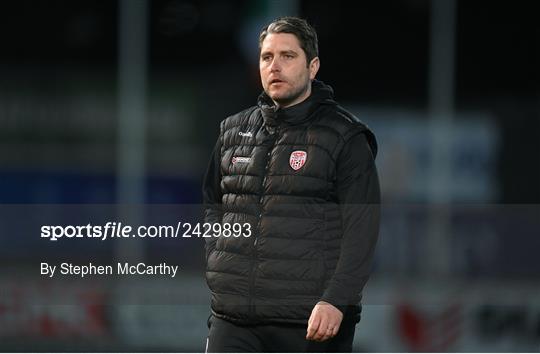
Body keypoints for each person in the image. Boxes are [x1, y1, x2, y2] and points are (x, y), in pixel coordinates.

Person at [202, 16, 380, 353]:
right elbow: (213, 203)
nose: (275, 66)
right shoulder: (232, 132)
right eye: (267, 57)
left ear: (312, 67)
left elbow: (363, 229)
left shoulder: (345, 137)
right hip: (234, 317)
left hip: (310, 321)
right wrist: (219, 261)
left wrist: (336, 300)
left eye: (288, 56)